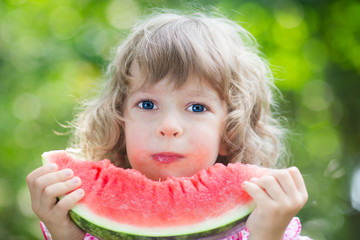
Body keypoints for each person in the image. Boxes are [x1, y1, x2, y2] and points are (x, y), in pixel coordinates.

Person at [27, 10, 310, 240]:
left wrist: (267, 236)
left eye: (197, 107)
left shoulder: (269, 226)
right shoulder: (89, 232)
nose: (169, 126)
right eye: (148, 104)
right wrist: (66, 235)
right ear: (119, 121)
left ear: (228, 133)